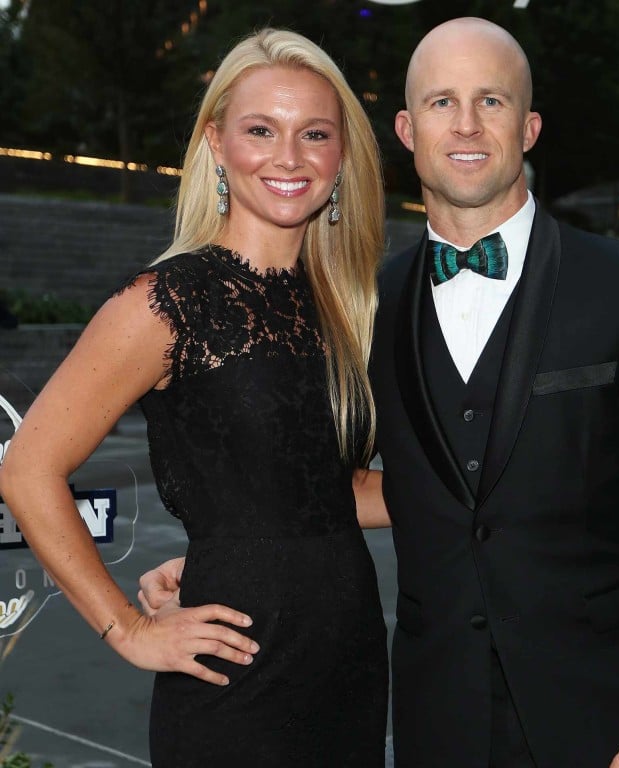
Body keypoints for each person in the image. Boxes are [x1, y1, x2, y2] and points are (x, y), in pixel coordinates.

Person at [141, 17, 619, 768]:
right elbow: (329, 480)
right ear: (405, 128)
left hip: (607, 720)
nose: (464, 124)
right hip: (431, 717)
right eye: (440, 102)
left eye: (491, 101)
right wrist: (221, 547)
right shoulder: (361, 304)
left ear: (529, 127)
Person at [0, 28, 388, 768]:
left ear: (342, 156)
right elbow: (26, 468)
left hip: (350, 657)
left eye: (315, 134)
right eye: (260, 130)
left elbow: (330, 493)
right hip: (236, 673)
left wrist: (475, 495)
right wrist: (126, 628)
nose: (289, 157)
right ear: (216, 142)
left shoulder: (345, 304)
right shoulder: (166, 302)